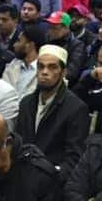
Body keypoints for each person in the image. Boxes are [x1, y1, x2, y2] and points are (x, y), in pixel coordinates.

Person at [15, 44, 89, 182]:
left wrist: (49, 175)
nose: (45, 72)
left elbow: (74, 159)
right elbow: (18, 143)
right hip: (21, 176)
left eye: (52, 67)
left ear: (63, 72)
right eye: (41, 67)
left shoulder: (76, 108)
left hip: (53, 181)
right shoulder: (26, 103)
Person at [2, 23, 46, 100]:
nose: (14, 45)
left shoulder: (44, 70)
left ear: (30, 45)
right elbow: (3, 92)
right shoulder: (12, 66)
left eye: (19, 41)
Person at [45, 11, 87, 87]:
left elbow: (72, 72)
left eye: (55, 28)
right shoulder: (47, 39)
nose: (51, 31)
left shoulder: (77, 45)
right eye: (50, 27)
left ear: (66, 28)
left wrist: (51, 75)